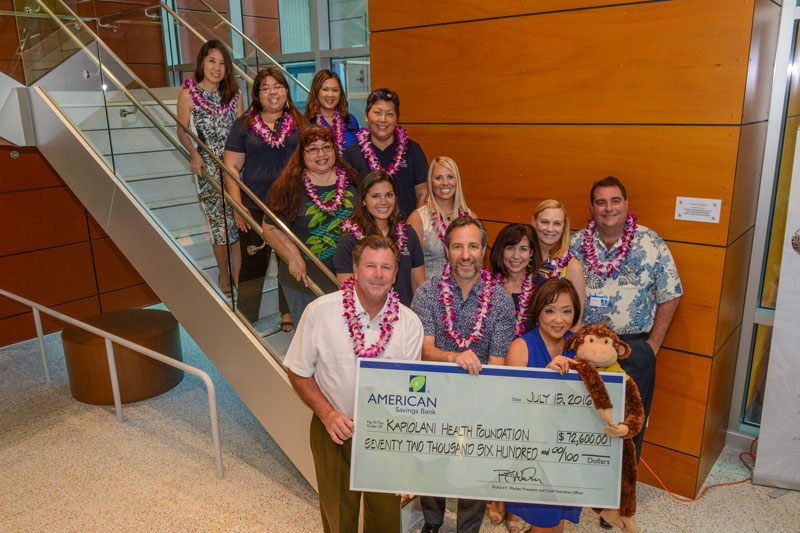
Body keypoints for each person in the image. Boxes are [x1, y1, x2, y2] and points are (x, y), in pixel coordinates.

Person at [284, 235, 424, 533]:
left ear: (395, 273)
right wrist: (327, 413)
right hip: (333, 429)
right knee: (338, 520)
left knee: (386, 522)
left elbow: (410, 394)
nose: (378, 274)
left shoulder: (410, 324)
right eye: (370, 265)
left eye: (386, 267)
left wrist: (408, 458)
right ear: (356, 269)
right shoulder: (321, 312)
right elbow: (298, 372)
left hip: (387, 434)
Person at [410, 215, 515, 533]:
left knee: (474, 466)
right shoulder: (427, 294)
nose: (465, 254)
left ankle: (468, 528)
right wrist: (456, 357)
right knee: (431, 463)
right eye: (458, 246)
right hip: (435, 396)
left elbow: (497, 361)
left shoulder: (500, 300)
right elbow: (424, 349)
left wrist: (479, 401)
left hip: (480, 396)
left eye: (472, 246)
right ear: (446, 250)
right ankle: (432, 521)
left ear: (483, 250)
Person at [569, 176, 682, 460]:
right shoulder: (574, 244)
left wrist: (652, 346)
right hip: (584, 352)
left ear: (626, 204)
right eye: (601, 202)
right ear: (592, 207)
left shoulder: (650, 242)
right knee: (581, 420)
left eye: (615, 200)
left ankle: (621, 493)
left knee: (629, 425)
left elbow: (671, 294)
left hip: (633, 350)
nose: (609, 208)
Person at [223, 67, 307, 324]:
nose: (272, 92)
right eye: (266, 87)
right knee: (253, 264)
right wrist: (238, 207)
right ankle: (247, 317)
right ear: (257, 94)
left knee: (288, 258)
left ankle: (288, 312)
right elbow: (232, 168)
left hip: (292, 204)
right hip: (254, 205)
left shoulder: (300, 122)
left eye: (277, 86)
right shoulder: (243, 125)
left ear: (285, 90)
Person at [503, 278, 584, 533]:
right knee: (545, 525)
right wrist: (544, 379)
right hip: (534, 453)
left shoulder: (580, 346)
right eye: (550, 310)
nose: (559, 319)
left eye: (567, 311)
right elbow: (510, 406)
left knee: (556, 525)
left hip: (567, 452)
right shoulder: (521, 348)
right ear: (537, 311)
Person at [262, 125, 358, 321]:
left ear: (334, 150)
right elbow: (269, 227)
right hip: (304, 284)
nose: (321, 154)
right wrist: (292, 255)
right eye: (313, 149)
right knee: (311, 345)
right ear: (302, 154)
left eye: (326, 147)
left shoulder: (353, 181)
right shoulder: (288, 187)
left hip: (349, 281)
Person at [176, 39, 244, 298]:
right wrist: (194, 154)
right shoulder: (188, 95)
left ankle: (238, 277)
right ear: (202, 63)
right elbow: (181, 130)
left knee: (238, 224)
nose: (217, 67)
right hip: (208, 169)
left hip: (235, 169)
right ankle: (224, 276)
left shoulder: (235, 96)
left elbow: (240, 133)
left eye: (222, 63)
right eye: (211, 61)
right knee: (220, 227)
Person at [333, 170, 424, 306]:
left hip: (404, 320)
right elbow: (347, 293)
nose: (383, 202)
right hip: (366, 321)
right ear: (364, 200)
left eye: (388, 195)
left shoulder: (408, 235)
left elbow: (418, 284)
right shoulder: (350, 240)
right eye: (375, 196)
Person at [343, 88, 428, 218]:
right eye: (377, 112)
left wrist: (416, 227)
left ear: (397, 119)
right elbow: (347, 199)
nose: (383, 119)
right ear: (366, 116)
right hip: (365, 233)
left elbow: (422, 194)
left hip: (405, 230)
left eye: (389, 114)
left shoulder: (413, 150)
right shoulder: (352, 154)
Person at [407, 156, 475, 279]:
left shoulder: (471, 218)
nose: (445, 183)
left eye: (450, 177)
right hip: (428, 294)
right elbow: (411, 269)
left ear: (457, 181)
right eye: (438, 178)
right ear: (431, 182)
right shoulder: (418, 219)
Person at [532, 199, 586, 323]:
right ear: (534, 222)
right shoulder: (522, 258)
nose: (550, 229)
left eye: (557, 223)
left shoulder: (572, 266)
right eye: (544, 222)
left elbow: (576, 319)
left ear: (564, 226)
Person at [489, 223, 542, 339]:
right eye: (510, 248)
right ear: (501, 251)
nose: (516, 256)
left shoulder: (542, 287)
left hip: (528, 354)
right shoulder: (487, 285)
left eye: (523, 249)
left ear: (531, 252)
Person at [304, 69, 360, 153]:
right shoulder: (305, 123)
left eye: (335, 90)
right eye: (325, 89)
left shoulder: (350, 120)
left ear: (340, 93)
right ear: (316, 92)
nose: (330, 94)